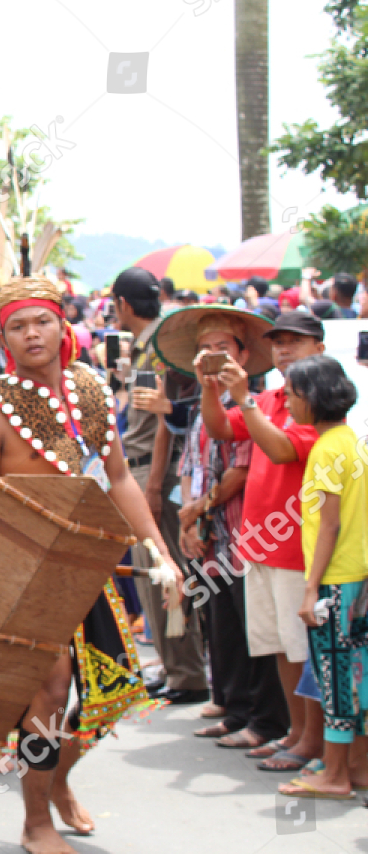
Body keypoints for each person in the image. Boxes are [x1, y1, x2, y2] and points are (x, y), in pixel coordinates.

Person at [0, 276, 179, 854]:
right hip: (22, 574)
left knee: (114, 690)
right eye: (17, 326)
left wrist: (158, 550)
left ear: (61, 323)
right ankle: (35, 818)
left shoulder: (90, 394)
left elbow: (118, 478)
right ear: (4, 337)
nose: (31, 334)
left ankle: (57, 777)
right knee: (50, 687)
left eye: (40, 321)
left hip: (85, 564)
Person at [198, 308, 327, 773]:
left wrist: (241, 398)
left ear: (320, 349)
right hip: (258, 543)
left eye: (296, 341)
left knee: (301, 648)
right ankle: (295, 733)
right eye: (279, 342)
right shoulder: (272, 397)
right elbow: (219, 429)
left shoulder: (321, 404)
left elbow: (278, 448)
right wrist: (211, 389)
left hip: (296, 547)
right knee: (277, 645)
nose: (285, 349)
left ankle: (313, 741)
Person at [161, 308, 292, 755]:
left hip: (243, 531)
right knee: (222, 627)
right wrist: (188, 518)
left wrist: (197, 509)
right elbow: (189, 467)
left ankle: (264, 717)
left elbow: (240, 468)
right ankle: (234, 710)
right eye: (207, 349)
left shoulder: (255, 404)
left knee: (253, 628)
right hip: (208, 530)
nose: (214, 357)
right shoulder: (206, 407)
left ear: (243, 354)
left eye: (223, 349)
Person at [115, 266, 208, 703]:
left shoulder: (156, 347)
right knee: (159, 575)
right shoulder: (152, 342)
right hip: (145, 469)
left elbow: (161, 424)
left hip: (154, 471)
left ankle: (187, 674)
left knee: (164, 573)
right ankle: (177, 669)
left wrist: (151, 488)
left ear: (122, 306)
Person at [278, 356, 368, 798]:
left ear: (311, 399)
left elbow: (328, 524)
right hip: (358, 577)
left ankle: (334, 775)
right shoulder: (353, 442)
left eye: (292, 394)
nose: (287, 402)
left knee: (334, 678)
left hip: (334, 580)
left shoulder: (326, 450)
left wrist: (311, 588)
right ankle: (358, 766)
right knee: (360, 676)